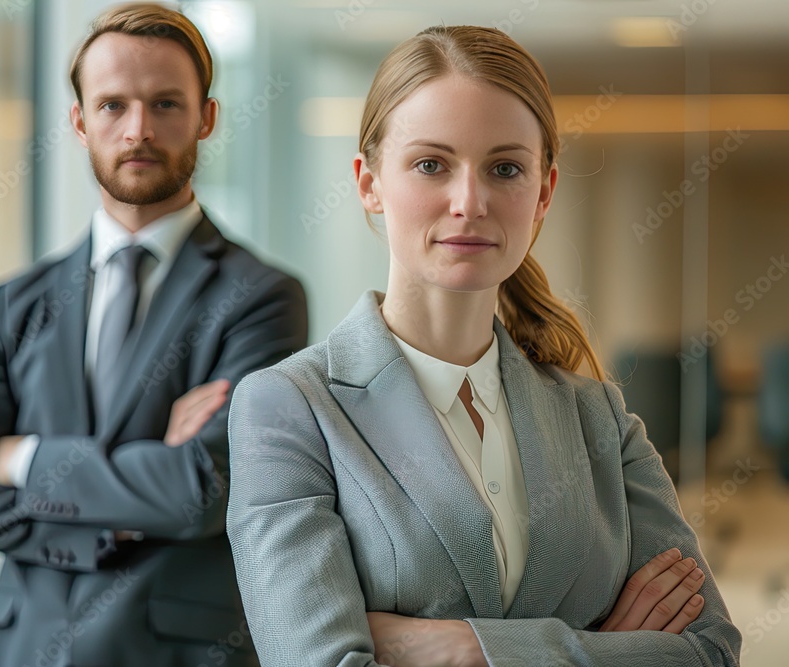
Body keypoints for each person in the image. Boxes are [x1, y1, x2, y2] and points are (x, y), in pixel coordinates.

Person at [226, 25, 740, 667]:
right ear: (368, 183)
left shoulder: (598, 418)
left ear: (544, 191)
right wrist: (598, 648)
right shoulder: (288, 409)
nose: (469, 202)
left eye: (504, 169)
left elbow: (710, 650)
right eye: (430, 164)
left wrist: (468, 648)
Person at [0, 4, 307, 666]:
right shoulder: (17, 303)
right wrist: (130, 494)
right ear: (78, 121)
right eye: (112, 106)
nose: (138, 130)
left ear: (206, 117)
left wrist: (22, 459)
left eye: (164, 104)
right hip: (23, 649)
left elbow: (201, 494)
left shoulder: (262, 297)